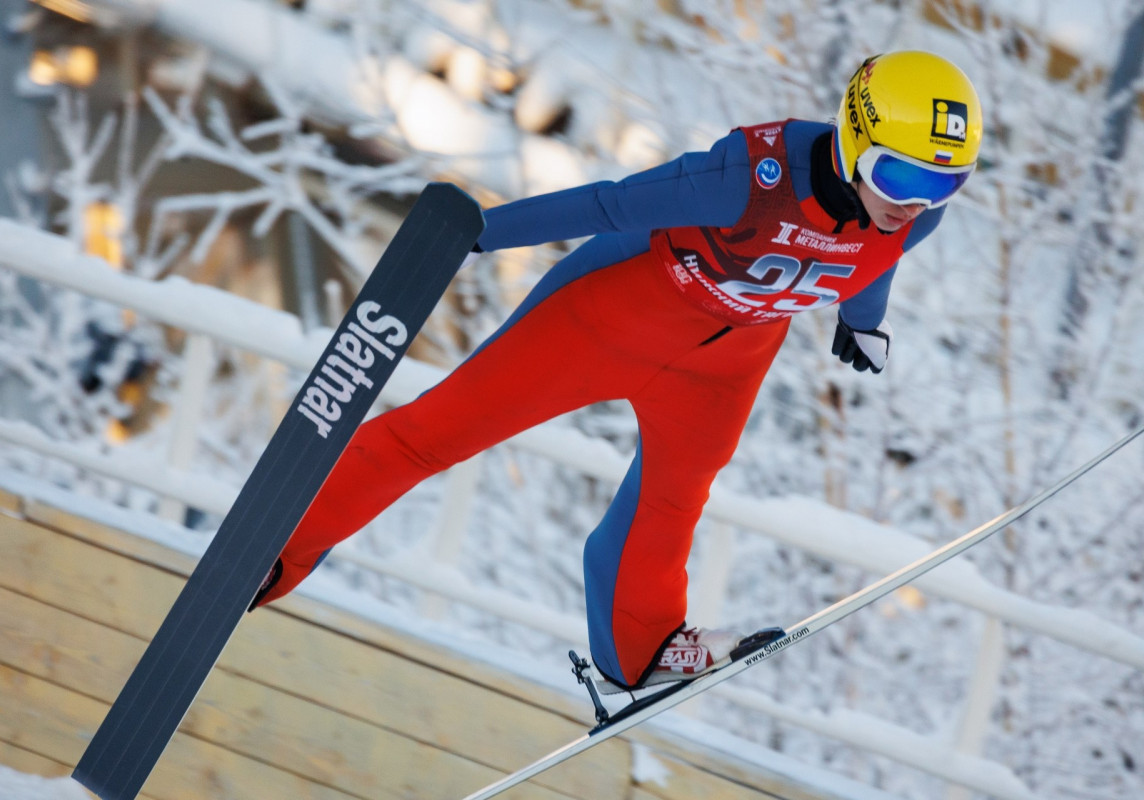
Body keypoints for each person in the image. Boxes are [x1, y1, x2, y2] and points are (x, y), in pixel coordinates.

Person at [251, 50, 983, 692]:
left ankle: (642, 650)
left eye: (944, 186)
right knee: (439, 433)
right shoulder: (750, 179)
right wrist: (473, 236)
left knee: (675, 499)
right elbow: (608, 203)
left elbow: (871, 258)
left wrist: (863, 322)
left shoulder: (913, 217)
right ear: (857, 135)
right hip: (608, 319)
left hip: (727, 365)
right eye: (899, 175)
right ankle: (274, 551)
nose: (912, 204)